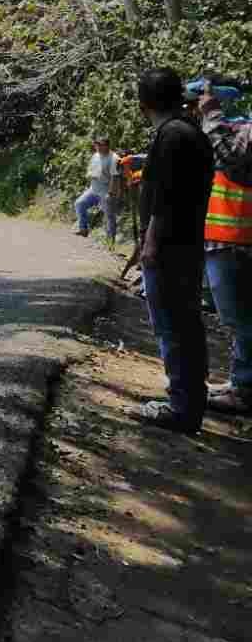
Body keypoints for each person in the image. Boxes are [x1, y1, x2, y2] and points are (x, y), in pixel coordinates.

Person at [131, 68, 215, 434]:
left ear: (143, 104)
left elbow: (166, 198)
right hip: (188, 244)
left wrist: (149, 244)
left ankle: (182, 409)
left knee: (173, 327)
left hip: (169, 248)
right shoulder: (190, 132)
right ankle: (189, 402)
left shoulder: (171, 135)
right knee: (185, 324)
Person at [195, 84, 252, 413]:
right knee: (238, 319)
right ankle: (240, 381)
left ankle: (245, 391)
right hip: (227, 239)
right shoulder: (239, 128)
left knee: (242, 318)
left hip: (238, 240)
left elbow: (230, 157)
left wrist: (212, 113)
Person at [73, 137, 118, 241]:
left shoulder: (114, 158)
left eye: (100, 145)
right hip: (93, 189)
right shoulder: (95, 155)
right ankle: (83, 229)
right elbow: (91, 170)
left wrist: (110, 193)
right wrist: (91, 175)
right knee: (79, 203)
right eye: (96, 145)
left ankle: (111, 241)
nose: (97, 147)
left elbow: (114, 177)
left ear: (106, 146)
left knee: (109, 216)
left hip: (106, 190)